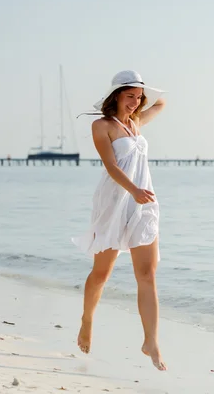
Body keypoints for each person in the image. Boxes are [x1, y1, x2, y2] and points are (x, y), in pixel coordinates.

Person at [72, 70, 167, 371]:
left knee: (148, 274)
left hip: (143, 203)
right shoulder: (101, 126)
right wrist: (134, 190)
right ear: (115, 96)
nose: (135, 102)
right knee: (101, 274)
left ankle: (151, 341)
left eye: (138, 98)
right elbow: (110, 166)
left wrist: (151, 94)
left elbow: (159, 106)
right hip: (115, 202)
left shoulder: (136, 123)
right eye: (129, 96)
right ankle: (87, 320)